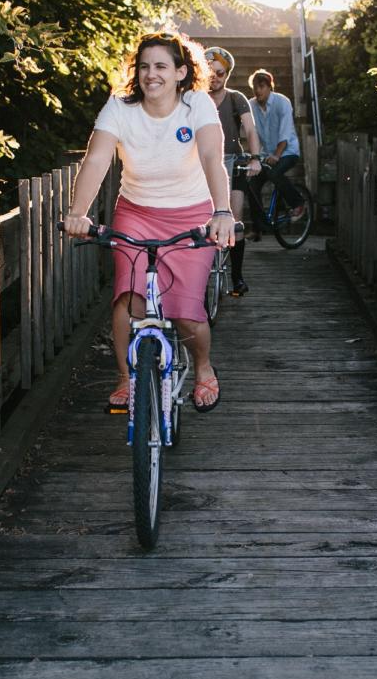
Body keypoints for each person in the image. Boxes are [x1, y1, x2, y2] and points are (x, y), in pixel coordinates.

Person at [63, 32, 234, 413]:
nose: (150, 74)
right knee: (128, 299)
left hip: (191, 214)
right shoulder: (119, 108)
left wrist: (221, 211)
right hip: (137, 213)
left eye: (160, 66)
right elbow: (96, 160)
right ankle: (126, 376)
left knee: (187, 312)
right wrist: (78, 212)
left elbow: (210, 156)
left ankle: (204, 367)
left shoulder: (197, 105)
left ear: (180, 72)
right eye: (143, 66)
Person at [204, 46, 261, 296]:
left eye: (220, 73)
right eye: (210, 72)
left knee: (235, 218)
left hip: (233, 161)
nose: (215, 77)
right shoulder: (195, 98)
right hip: (203, 162)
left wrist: (256, 158)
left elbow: (250, 129)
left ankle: (236, 277)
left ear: (227, 75)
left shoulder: (236, 98)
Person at [248, 69, 305, 223]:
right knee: (252, 182)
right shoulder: (251, 105)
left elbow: (285, 133)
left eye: (261, 86)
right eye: (255, 87)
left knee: (274, 173)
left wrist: (277, 155)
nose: (258, 90)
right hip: (267, 154)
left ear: (269, 87)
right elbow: (249, 130)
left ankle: (298, 203)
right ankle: (258, 227)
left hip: (288, 152)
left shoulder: (282, 102)